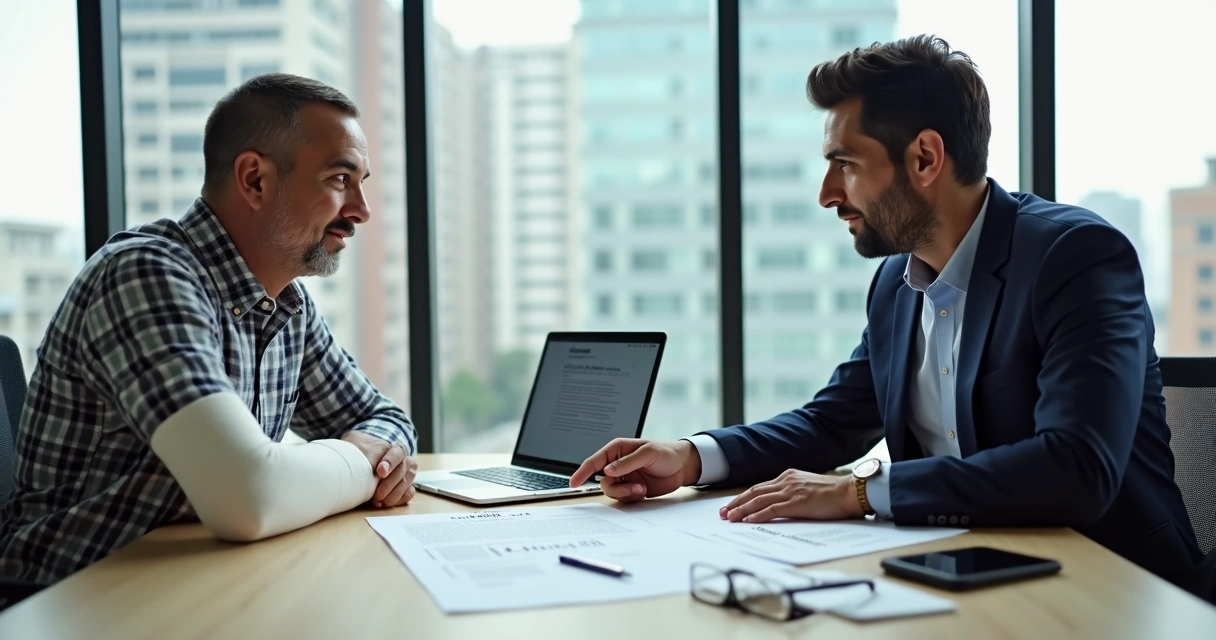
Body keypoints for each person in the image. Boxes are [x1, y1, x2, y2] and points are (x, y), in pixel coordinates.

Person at [570, 35, 1203, 590]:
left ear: (925, 158)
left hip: (1112, 589)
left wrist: (857, 493)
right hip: (960, 574)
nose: (826, 195)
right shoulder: (895, 285)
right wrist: (689, 456)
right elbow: (832, 422)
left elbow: (1076, 469)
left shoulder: (1075, 257)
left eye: (844, 164)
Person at [0, 74, 418, 591]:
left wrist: (355, 456)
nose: (361, 210)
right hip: (65, 599)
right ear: (255, 180)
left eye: (362, 184)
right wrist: (359, 462)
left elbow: (384, 419)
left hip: (194, 585)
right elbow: (249, 497)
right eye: (339, 179)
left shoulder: (288, 306)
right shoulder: (145, 274)